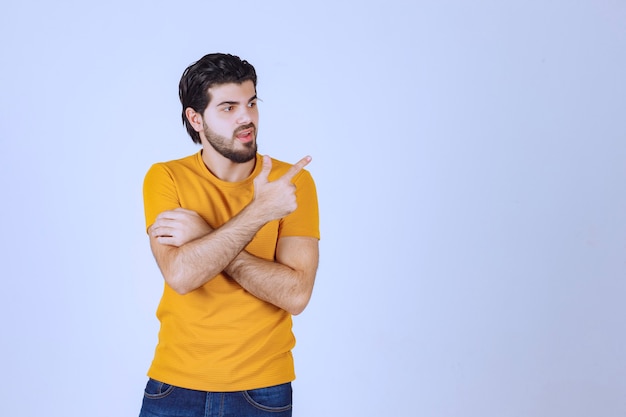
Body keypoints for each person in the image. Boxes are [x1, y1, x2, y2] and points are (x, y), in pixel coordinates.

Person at [138, 53, 320, 417]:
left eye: (251, 103)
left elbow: (296, 295)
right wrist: (259, 214)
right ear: (196, 118)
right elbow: (182, 275)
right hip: (175, 386)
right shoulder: (166, 178)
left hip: (262, 390)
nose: (246, 118)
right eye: (228, 107)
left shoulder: (291, 183)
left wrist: (205, 234)